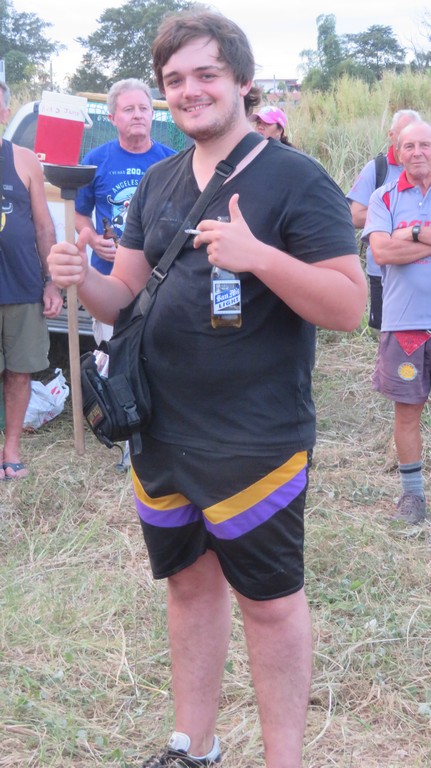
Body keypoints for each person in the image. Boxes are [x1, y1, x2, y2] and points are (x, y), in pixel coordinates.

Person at [48, 9, 367, 767]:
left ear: (243, 81)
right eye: (175, 80)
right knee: (189, 588)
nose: (189, 90)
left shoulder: (296, 178)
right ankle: (194, 746)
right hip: (158, 430)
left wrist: (260, 257)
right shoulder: (158, 181)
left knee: (269, 604)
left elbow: (349, 307)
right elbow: (124, 298)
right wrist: (82, 277)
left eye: (206, 75)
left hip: (254, 439)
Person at [362, 120, 431, 525]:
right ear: (398, 152)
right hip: (404, 325)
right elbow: (383, 252)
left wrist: (409, 233)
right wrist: (422, 236)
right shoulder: (383, 196)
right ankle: (413, 497)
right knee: (407, 413)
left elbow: (392, 244)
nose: (418, 152)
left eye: (426, 144)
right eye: (410, 146)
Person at [75, 78, 176, 345]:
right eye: (129, 109)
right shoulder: (95, 160)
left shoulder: (173, 161)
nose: (138, 115)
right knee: (115, 358)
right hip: (110, 279)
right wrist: (93, 240)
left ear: (152, 114)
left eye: (143, 108)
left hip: (162, 282)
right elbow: (78, 212)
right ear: (112, 118)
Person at [0, 81, 63, 481]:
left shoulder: (24, 160)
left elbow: (44, 227)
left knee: (20, 372)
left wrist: (51, 282)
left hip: (22, 285)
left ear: (5, 112)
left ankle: (11, 450)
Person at [347, 109, 422, 330]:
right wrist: (398, 227)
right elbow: (355, 215)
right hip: (382, 273)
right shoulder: (377, 169)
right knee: (389, 334)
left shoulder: (425, 168)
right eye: (404, 136)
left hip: (422, 272)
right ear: (391, 136)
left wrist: (407, 231)